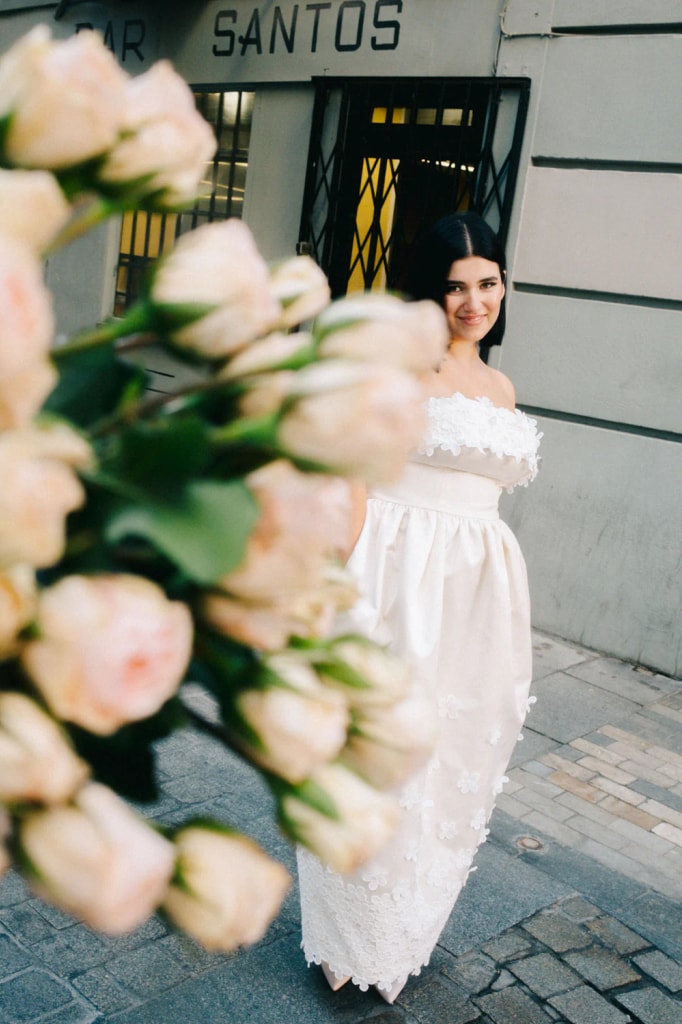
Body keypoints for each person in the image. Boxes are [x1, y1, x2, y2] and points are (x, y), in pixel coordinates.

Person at [297, 211, 542, 1003]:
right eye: (454, 287)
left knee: (455, 756)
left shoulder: (501, 387)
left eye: (488, 282)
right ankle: (345, 943)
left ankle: (403, 932)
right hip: (398, 577)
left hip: (478, 591)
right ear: (426, 294)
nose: (474, 302)